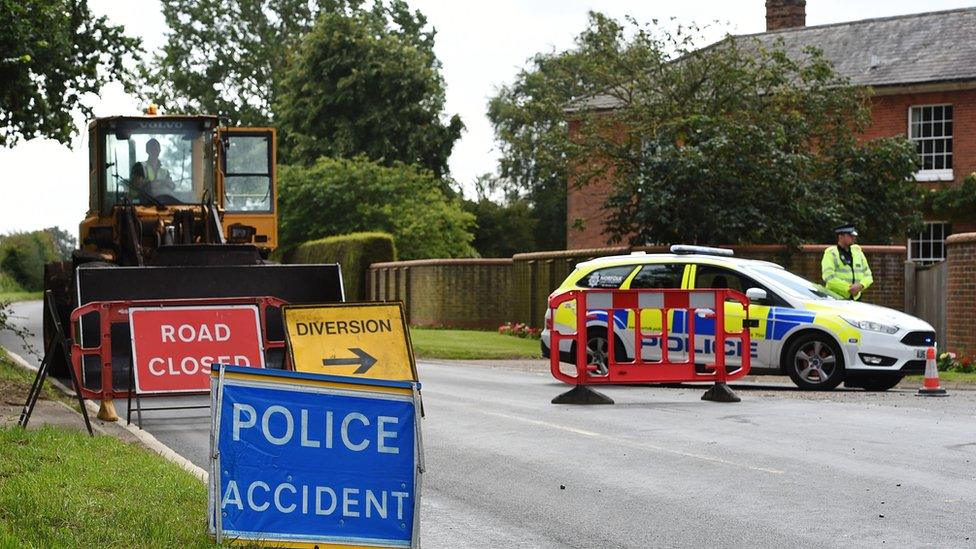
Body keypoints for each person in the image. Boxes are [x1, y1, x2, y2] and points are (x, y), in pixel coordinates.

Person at [821, 224, 873, 301]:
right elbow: (828, 277)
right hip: (836, 298)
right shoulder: (831, 253)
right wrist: (849, 289)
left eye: (854, 235)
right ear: (840, 236)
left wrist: (861, 285)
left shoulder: (858, 252)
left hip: (856, 298)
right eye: (850, 235)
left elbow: (868, 276)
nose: (853, 238)